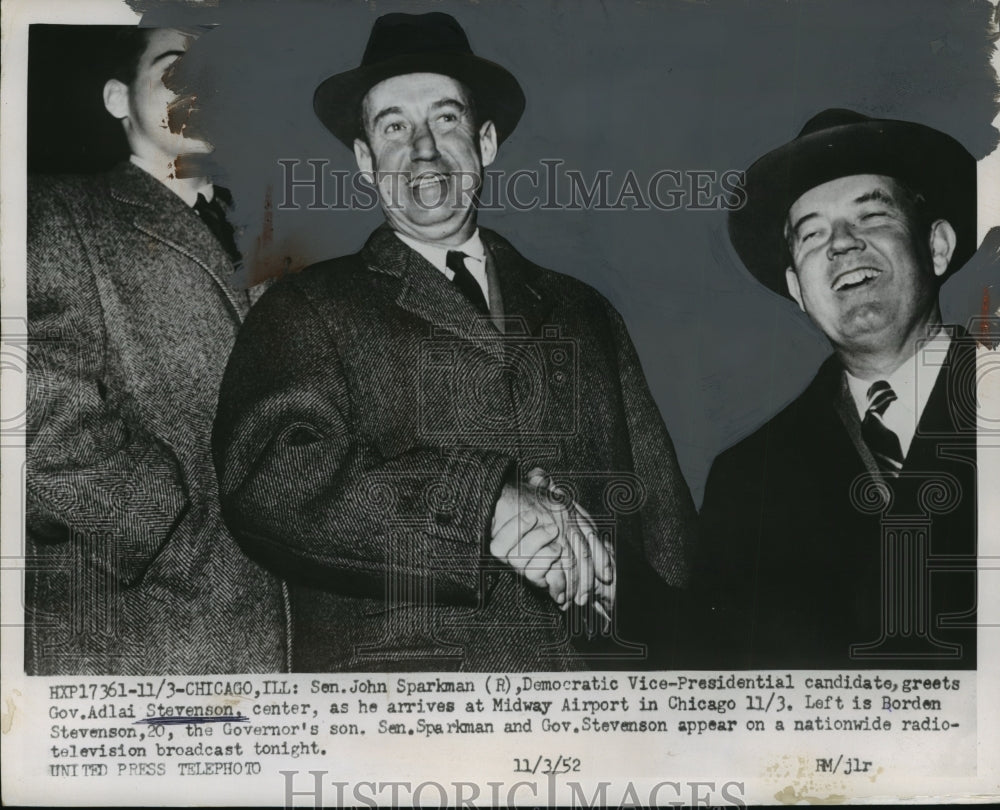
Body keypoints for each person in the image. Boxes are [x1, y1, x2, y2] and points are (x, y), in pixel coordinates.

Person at [213, 12, 697, 672]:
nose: (423, 150)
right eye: (393, 127)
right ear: (364, 160)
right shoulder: (305, 308)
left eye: (445, 119)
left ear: (485, 142)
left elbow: (668, 534)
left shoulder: (584, 312)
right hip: (407, 719)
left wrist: (625, 599)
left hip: (597, 705)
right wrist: (484, 508)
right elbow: (268, 482)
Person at [26, 27, 287, 674]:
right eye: (176, 70)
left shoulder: (272, 230)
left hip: (280, 630)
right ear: (118, 98)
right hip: (136, 632)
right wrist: (171, 533)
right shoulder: (53, 211)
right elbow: (32, 411)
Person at [694, 108, 978, 669]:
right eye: (812, 234)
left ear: (938, 247)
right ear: (798, 289)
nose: (842, 245)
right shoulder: (748, 479)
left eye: (871, 217)